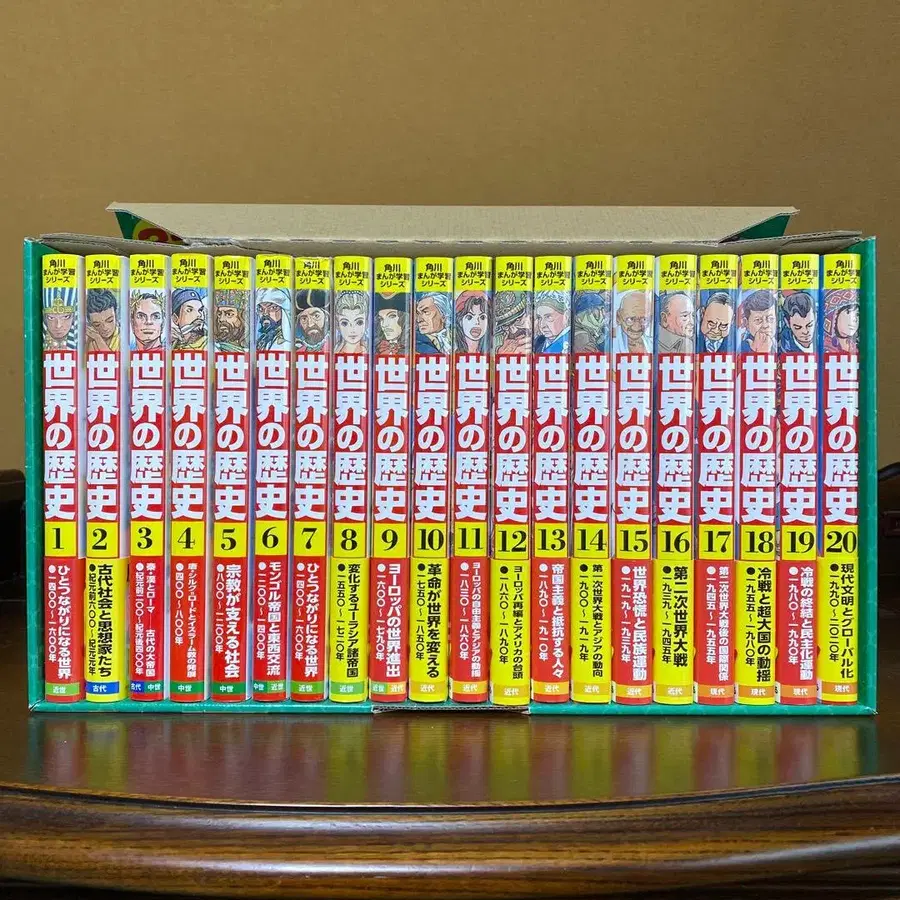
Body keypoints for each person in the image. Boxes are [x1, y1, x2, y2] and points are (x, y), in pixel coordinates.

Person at [823, 288, 859, 353]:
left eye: (857, 314)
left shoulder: (854, 346)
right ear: (834, 316)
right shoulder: (825, 347)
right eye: (848, 312)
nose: (855, 319)